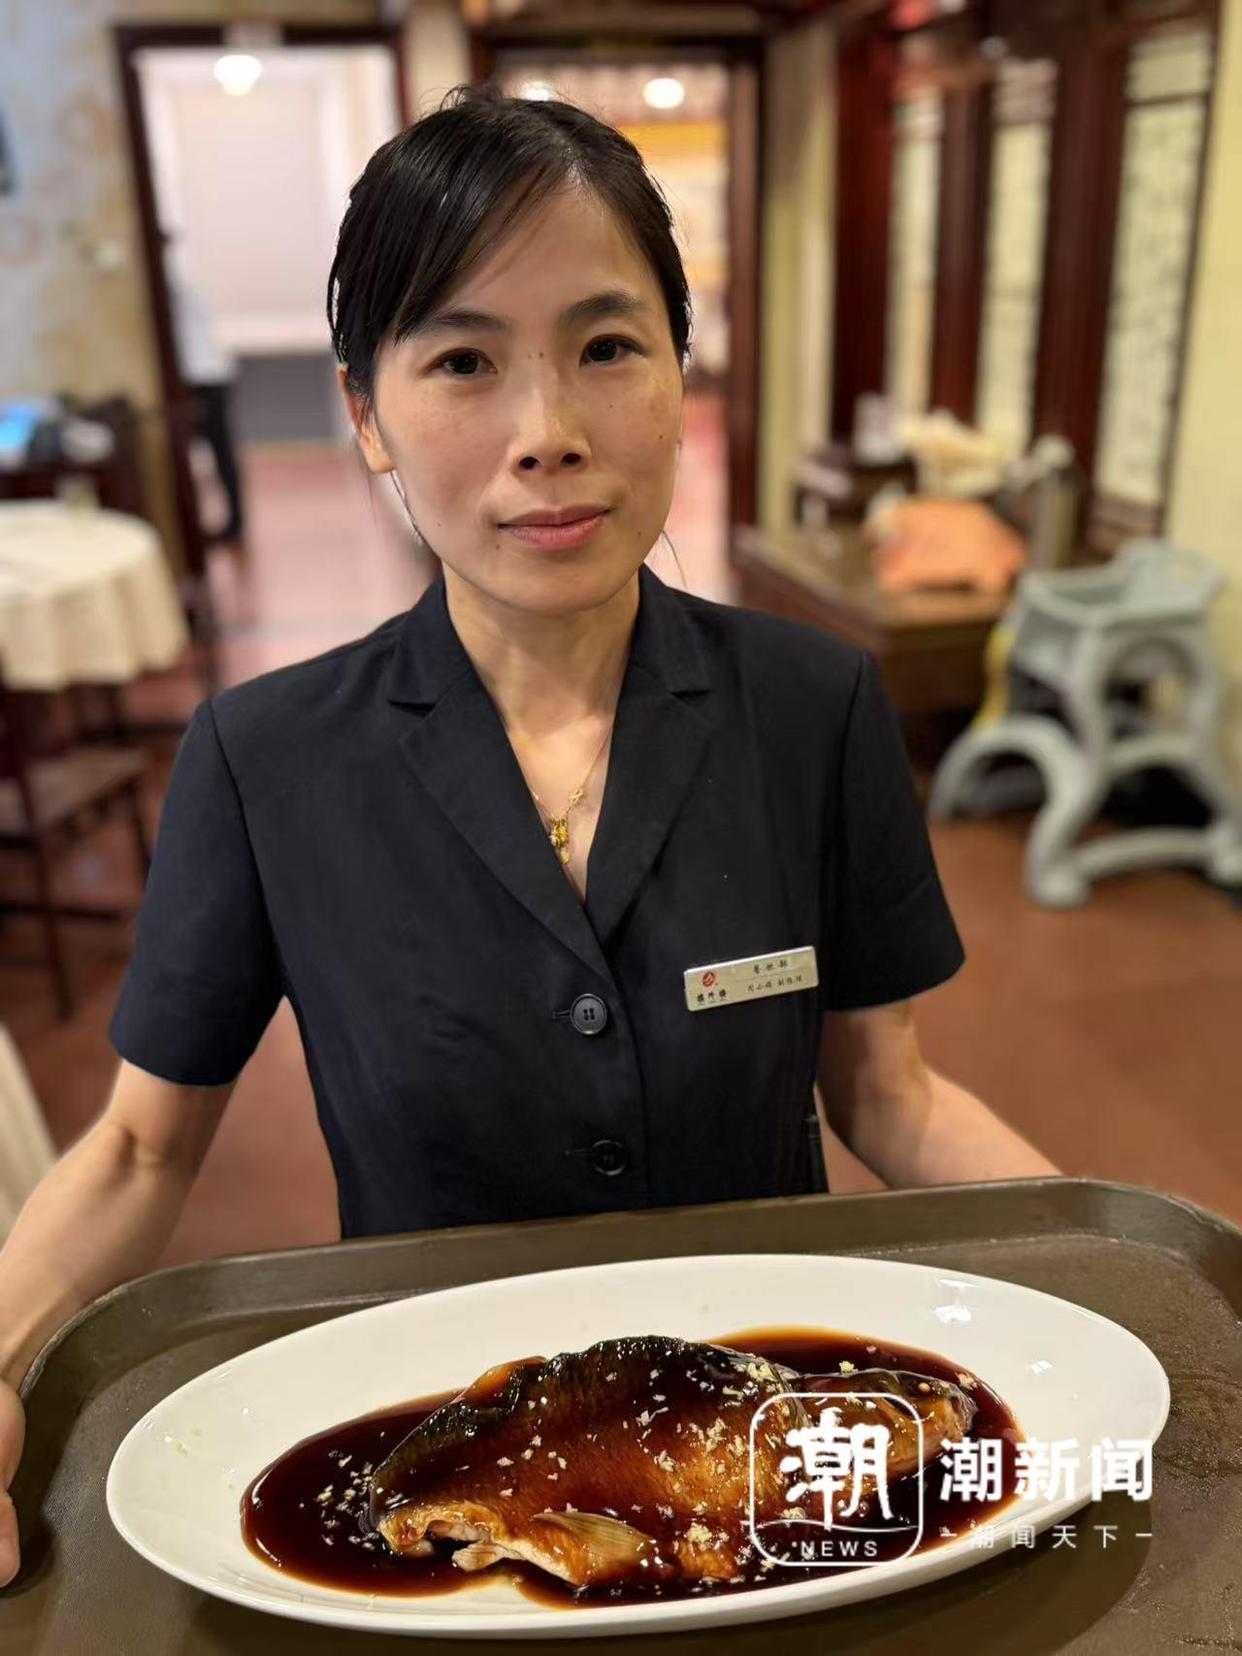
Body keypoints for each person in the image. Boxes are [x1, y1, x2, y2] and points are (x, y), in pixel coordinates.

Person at [0, 85, 1059, 1586]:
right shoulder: (265, 759)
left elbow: (887, 1093)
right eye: (462, 361)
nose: (546, 436)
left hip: (762, 1457)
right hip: (437, 1475)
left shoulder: (811, 705)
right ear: (365, 413)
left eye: (606, 347)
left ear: (678, 367)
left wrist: (1121, 1275)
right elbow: (133, 1146)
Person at [162, 229, 247, 544]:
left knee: (217, 452)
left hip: (201, 376)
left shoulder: (168, 282)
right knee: (217, 452)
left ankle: (233, 523)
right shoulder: (181, 279)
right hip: (206, 373)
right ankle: (230, 521)